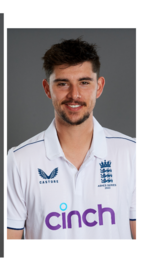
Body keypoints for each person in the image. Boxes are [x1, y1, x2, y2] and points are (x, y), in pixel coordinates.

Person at [7, 38, 136, 239]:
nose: (74, 95)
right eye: (63, 83)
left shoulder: (133, 153)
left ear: (99, 87)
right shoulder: (19, 160)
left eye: (84, 83)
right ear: (47, 88)